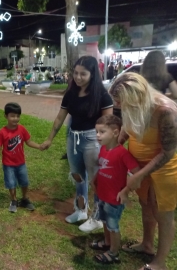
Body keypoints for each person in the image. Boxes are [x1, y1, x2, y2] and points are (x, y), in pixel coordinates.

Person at [109, 72, 177, 270]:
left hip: (163, 168)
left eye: (121, 102)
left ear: (135, 97)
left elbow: (168, 152)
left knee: (162, 213)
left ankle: (160, 262)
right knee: (146, 205)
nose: (118, 106)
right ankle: (146, 245)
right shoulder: (131, 105)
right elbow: (127, 129)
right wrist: (115, 147)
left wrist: (139, 175)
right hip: (140, 163)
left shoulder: (165, 110)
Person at [40, 56, 113, 233]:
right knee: (78, 176)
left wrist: (108, 146)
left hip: (92, 140)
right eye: (76, 73)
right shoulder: (71, 93)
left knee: (96, 179)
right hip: (73, 138)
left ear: (93, 74)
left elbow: (109, 123)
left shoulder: (102, 95)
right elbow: (59, 118)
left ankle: (97, 216)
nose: (78, 77)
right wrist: (49, 138)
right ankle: (81, 210)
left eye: (83, 74)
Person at [90, 115, 140, 265]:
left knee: (113, 225)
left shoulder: (122, 153)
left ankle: (113, 253)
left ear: (115, 132)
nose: (97, 135)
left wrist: (126, 190)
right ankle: (107, 242)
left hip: (114, 199)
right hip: (102, 194)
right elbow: (102, 167)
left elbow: (137, 172)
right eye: (96, 132)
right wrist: (95, 180)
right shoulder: (103, 149)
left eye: (102, 132)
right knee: (105, 221)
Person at [0, 103, 41, 212]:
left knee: (24, 182)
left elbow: (28, 142)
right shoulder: (2, 132)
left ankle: (24, 199)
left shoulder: (22, 129)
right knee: (11, 183)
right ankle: (14, 200)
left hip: (21, 163)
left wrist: (39, 146)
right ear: (6, 116)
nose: (15, 119)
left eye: (18, 116)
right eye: (12, 116)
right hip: (8, 164)